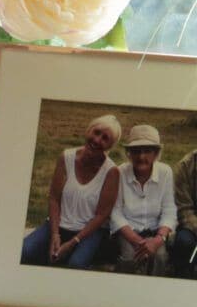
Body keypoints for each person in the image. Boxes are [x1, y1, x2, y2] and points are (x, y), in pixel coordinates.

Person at [20, 114, 120, 269]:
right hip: (58, 224)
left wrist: (73, 242)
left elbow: (102, 215)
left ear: (110, 146)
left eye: (105, 138)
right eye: (96, 132)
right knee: (25, 251)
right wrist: (54, 234)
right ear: (88, 131)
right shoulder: (66, 157)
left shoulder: (111, 171)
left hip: (88, 232)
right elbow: (54, 198)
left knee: (75, 264)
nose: (97, 140)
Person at [109, 124, 176, 276]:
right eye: (136, 151)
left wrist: (158, 239)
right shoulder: (120, 172)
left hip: (155, 231)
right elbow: (115, 212)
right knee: (129, 259)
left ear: (156, 153)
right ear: (129, 153)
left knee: (160, 257)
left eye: (147, 151)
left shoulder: (165, 172)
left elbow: (169, 210)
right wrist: (137, 241)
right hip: (128, 231)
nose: (141, 157)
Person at [171, 145, 197, 278]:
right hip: (191, 225)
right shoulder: (186, 166)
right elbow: (184, 208)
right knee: (184, 243)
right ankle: (183, 279)